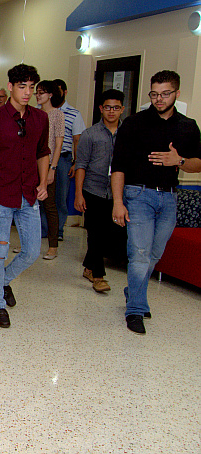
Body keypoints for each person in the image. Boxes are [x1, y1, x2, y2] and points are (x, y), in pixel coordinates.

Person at [111, 70, 201, 334]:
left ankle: (133, 289)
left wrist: (180, 161)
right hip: (138, 194)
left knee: (154, 254)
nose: (159, 99)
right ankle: (136, 309)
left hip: (170, 196)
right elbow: (118, 166)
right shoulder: (134, 123)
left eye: (165, 94)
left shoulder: (188, 126)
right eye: (154, 94)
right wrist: (118, 201)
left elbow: (198, 162)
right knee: (138, 254)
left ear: (177, 93)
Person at [0, 63, 50, 329]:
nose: (28, 92)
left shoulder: (40, 119)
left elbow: (43, 153)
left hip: (29, 196)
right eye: (22, 87)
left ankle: (4, 280)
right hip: (0, 197)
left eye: (32, 87)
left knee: (32, 251)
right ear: (10, 87)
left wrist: (43, 182)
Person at [74, 89, 126, 293]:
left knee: (108, 234)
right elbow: (81, 165)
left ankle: (89, 266)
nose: (111, 111)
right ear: (101, 109)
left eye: (115, 107)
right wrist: (78, 194)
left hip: (117, 193)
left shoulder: (127, 134)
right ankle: (98, 276)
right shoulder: (90, 134)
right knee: (95, 233)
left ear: (122, 109)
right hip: (93, 190)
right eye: (107, 107)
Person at [34, 80, 65, 260]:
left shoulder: (56, 115)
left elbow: (58, 143)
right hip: (32, 163)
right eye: (37, 92)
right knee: (31, 205)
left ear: (51, 94)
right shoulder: (34, 114)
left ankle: (53, 245)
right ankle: (30, 243)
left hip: (48, 164)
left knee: (50, 205)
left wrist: (53, 167)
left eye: (42, 92)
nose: (38, 95)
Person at [53, 79, 86, 241]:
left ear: (65, 92)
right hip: (44, 159)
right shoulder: (41, 110)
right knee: (42, 196)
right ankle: (44, 230)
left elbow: (77, 140)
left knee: (61, 196)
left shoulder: (74, 113)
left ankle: (58, 231)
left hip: (64, 159)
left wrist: (76, 163)